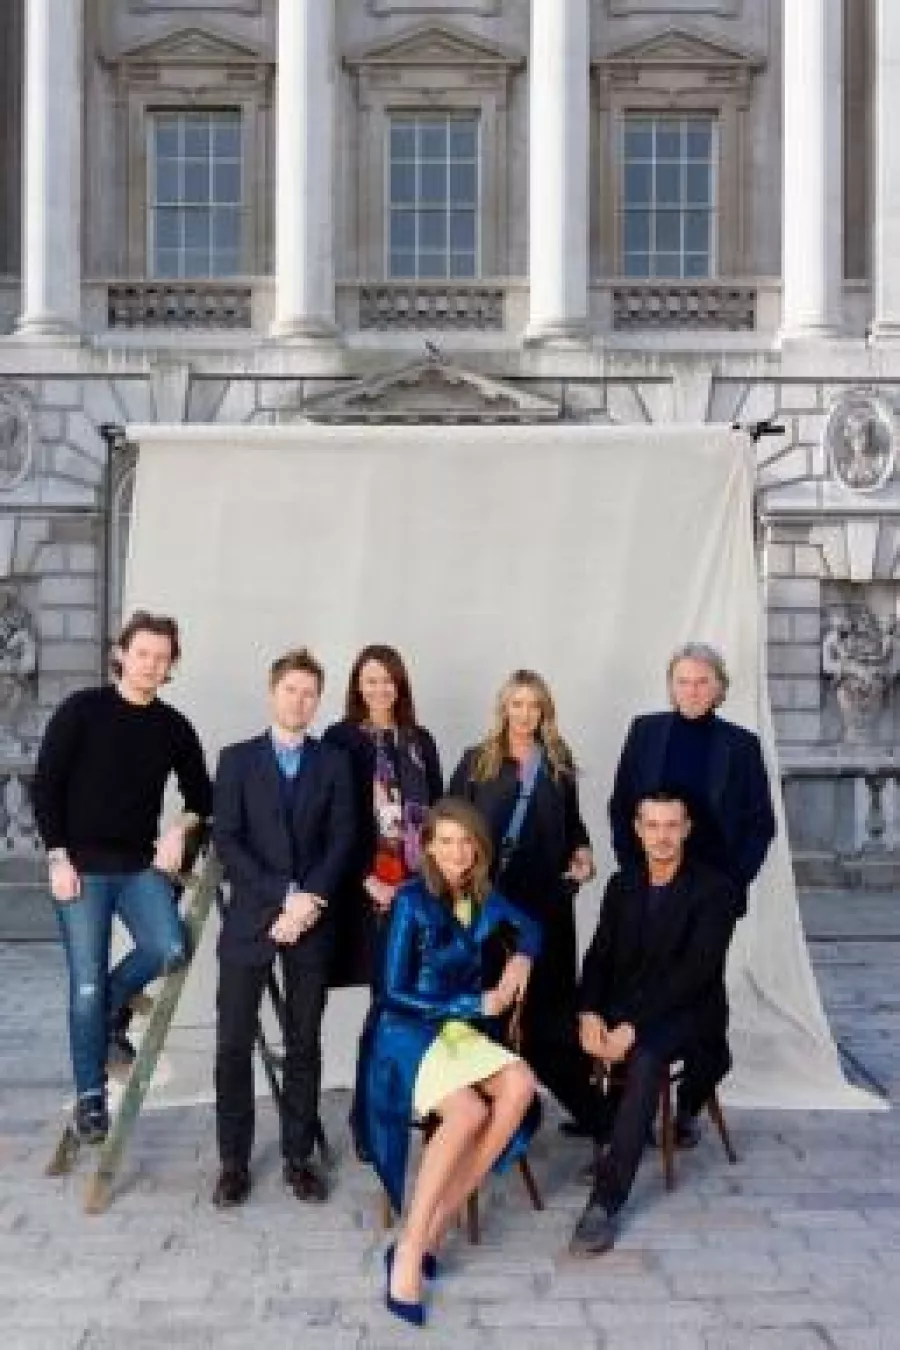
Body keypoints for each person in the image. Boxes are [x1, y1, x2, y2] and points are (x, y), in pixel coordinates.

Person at [355, 797, 541, 1328]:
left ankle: (436, 1223)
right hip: (406, 1033)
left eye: (467, 842)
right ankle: (411, 1250)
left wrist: (522, 957)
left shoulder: (483, 897)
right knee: (468, 1112)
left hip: (459, 1035)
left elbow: (533, 927)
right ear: (428, 848)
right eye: (446, 842)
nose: (458, 853)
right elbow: (391, 992)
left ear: (479, 848)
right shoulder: (411, 901)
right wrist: (473, 1002)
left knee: (521, 1083)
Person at [32, 611, 212, 1143]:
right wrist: (57, 857)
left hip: (136, 867)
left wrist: (178, 828)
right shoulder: (81, 710)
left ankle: (110, 1013)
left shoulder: (173, 726)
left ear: (171, 665)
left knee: (168, 947)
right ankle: (90, 1097)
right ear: (121, 655)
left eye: (162, 658)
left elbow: (203, 795)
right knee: (85, 984)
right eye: (143, 654)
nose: (151, 665)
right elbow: (46, 786)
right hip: (80, 869)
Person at [608, 641, 776, 1142]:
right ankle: (626, 1102)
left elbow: (760, 824)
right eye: (683, 681)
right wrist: (633, 875)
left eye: (703, 682)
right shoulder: (645, 732)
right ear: (670, 686)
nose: (693, 690)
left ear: (720, 688)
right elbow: (622, 806)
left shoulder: (741, 746)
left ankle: (690, 1101)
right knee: (633, 981)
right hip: (650, 882)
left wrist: (731, 883)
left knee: (699, 992)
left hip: (709, 894)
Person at [211, 648, 354, 1209]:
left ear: (318, 701)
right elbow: (228, 839)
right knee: (232, 1042)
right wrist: (284, 897)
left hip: (313, 919)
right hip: (254, 915)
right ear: (273, 693)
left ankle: (298, 1157)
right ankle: (233, 1162)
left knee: (303, 1040)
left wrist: (309, 900)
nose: (299, 700)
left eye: (309, 693)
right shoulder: (237, 759)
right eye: (290, 690)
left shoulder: (334, 762)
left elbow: (343, 839)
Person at [570, 792, 740, 1256]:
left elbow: (693, 975)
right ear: (638, 830)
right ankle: (614, 1127)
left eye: (671, 826)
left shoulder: (715, 889)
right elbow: (599, 956)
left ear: (686, 829)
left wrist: (630, 1028)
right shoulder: (622, 885)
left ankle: (605, 1199)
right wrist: (589, 1013)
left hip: (689, 1012)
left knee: (645, 1059)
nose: (662, 836)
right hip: (628, 1005)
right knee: (559, 1037)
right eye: (653, 826)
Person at [448, 669, 603, 1137]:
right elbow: (450, 826)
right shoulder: (477, 762)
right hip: (490, 910)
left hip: (549, 907)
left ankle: (597, 1117)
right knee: (493, 1012)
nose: (525, 714)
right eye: (517, 704)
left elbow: (573, 824)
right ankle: (492, 1117)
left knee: (551, 1015)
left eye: (535, 705)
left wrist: (582, 851)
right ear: (504, 708)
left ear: (545, 712)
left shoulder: (557, 762)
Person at [323, 644, 443, 990]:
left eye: (388, 680)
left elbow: (438, 811)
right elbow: (333, 818)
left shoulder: (421, 740)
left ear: (400, 685)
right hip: (364, 881)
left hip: (418, 884)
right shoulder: (340, 738)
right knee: (381, 981)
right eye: (371, 681)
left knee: (413, 982)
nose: (380, 689)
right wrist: (366, 878)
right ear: (357, 686)